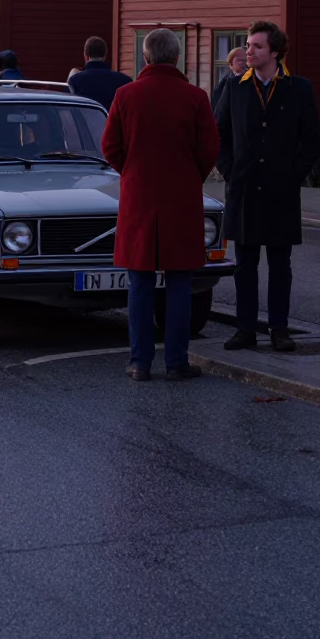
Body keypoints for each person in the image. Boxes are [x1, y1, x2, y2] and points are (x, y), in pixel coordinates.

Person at [101, 27, 219, 381]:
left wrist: (133, 171)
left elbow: (110, 147)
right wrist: (188, 176)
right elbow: (208, 149)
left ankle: (139, 362)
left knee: (139, 283)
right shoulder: (195, 97)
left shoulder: (125, 95)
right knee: (180, 283)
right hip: (181, 199)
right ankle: (177, 361)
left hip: (140, 198)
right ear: (178, 57)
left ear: (146, 57)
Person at [216, 20, 320, 353]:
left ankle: (279, 328)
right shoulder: (235, 87)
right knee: (245, 265)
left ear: (274, 52)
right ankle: (245, 328)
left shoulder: (298, 88)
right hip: (244, 189)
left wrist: (294, 174)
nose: (249, 51)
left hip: (281, 191)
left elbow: (312, 140)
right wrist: (231, 171)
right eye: (248, 45)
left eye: (257, 46)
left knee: (280, 265)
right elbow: (218, 133)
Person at [68, 36, 132, 109]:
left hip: (83, 120)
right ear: (104, 55)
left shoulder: (74, 81)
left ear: (86, 56)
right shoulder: (124, 81)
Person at [211, 46, 248, 112]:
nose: (243, 63)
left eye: (245, 60)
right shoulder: (225, 82)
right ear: (231, 63)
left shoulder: (252, 78)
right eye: (240, 60)